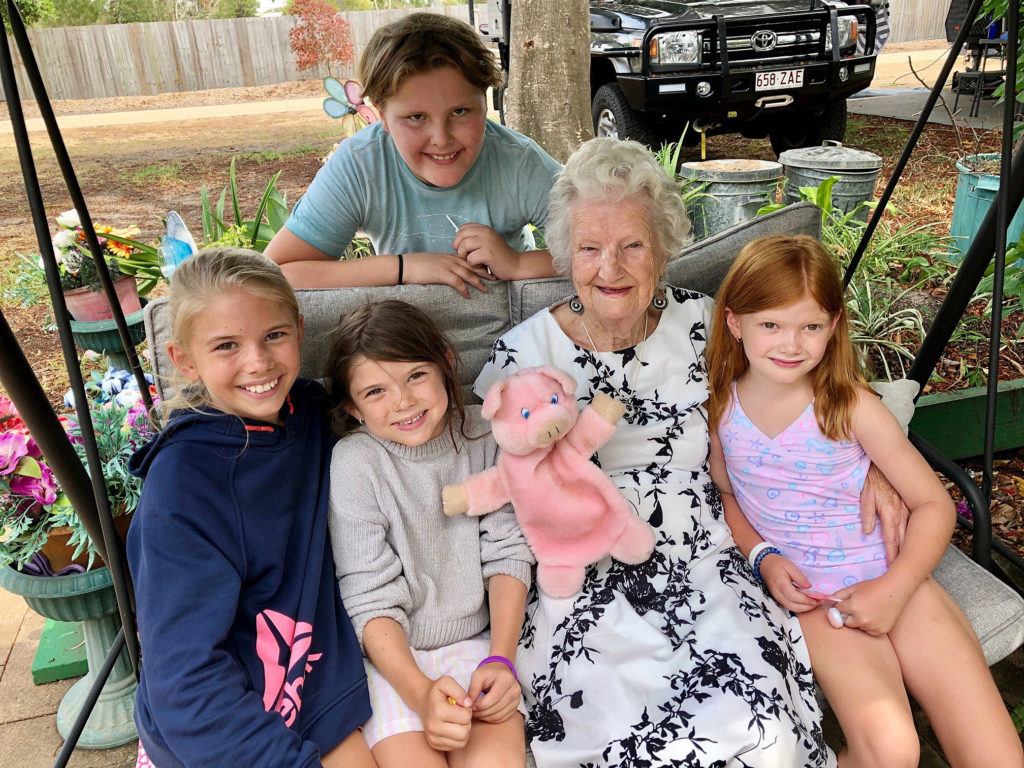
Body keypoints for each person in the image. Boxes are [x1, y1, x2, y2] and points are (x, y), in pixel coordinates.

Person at [475, 137, 838, 766]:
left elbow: (803, 402)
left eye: (632, 245)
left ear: (664, 248)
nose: (609, 268)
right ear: (566, 255)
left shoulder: (707, 326)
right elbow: (481, 482)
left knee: (760, 735)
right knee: (621, 736)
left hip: (710, 563)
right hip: (585, 577)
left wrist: (878, 472)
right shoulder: (521, 358)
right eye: (589, 248)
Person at [705, 235, 1023, 768]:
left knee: (998, 756)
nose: (791, 344)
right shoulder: (721, 409)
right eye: (771, 325)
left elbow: (933, 505)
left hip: (898, 577)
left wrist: (894, 590)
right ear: (735, 323)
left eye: (810, 326)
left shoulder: (849, 406)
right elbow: (727, 496)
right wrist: (763, 557)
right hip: (818, 597)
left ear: (833, 326)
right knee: (892, 751)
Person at [126, 248, 374, 768]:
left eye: (274, 336)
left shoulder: (311, 414)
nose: (258, 362)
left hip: (312, 687)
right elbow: (184, 678)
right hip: (224, 729)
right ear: (185, 360)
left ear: (300, 332)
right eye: (226, 346)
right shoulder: (181, 488)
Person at [324, 300, 534, 768]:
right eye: (375, 391)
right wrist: (420, 696)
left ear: (446, 363)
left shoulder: (487, 435)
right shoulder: (356, 462)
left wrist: (501, 660)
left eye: (416, 375)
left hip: (481, 648)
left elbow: (509, 553)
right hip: (395, 664)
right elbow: (368, 596)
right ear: (352, 408)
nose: (403, 400)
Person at [265, 13, 561, 297]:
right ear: (381, 115)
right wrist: (404, 267)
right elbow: (276, 274)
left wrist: (518, 263)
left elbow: (603, 255)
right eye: (416, 117)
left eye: (459, 112)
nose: (442, 138)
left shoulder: (519, 162)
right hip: (406, 335)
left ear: (485, 102)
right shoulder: (360, 166)